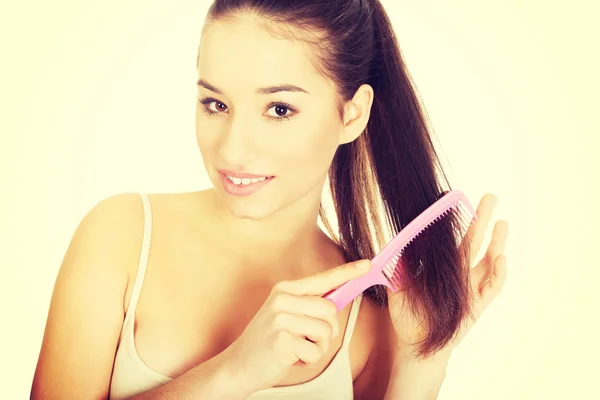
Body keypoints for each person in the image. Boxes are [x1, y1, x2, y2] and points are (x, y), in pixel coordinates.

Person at [30, 0, 509, 399]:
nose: (234, 149)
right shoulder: (121, 238)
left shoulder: (374, 322)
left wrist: (422, 365)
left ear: (352, 114)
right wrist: (235, 371)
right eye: (215, 104)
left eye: (279, 109)